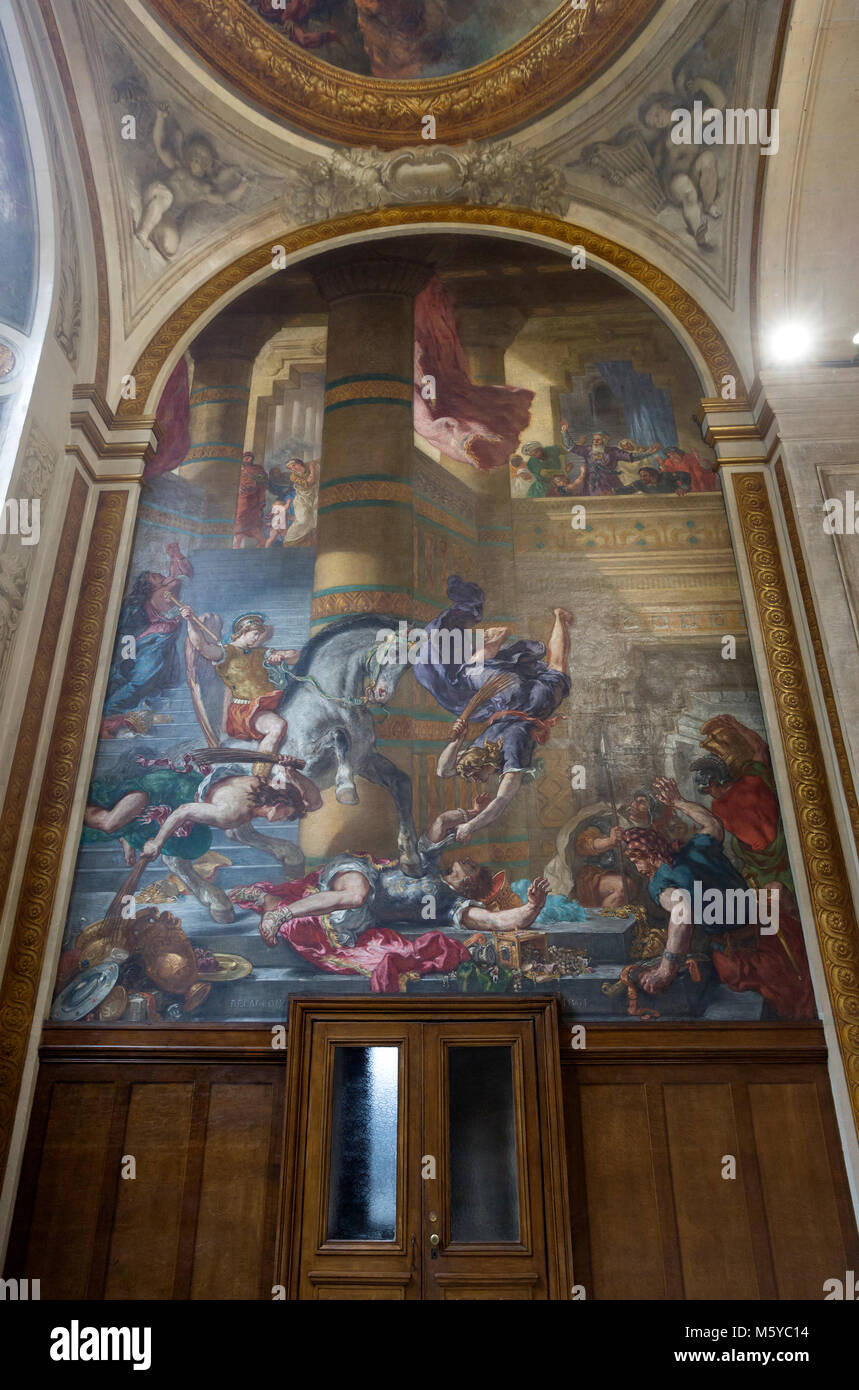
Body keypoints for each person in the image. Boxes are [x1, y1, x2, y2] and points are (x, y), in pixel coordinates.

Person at [229, 801, 553, 992]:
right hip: (361, 872)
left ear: (469, 885)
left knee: (345, 913)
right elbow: (441, 821)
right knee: (356, 893)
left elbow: (498, 921)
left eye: (474, 868)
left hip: (365, 914)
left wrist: (533, 906)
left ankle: (266, 901)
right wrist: (471, 813)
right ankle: (279, 915)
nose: (469, 860)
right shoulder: (429, 861)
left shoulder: (455, 905)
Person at [414, 576, 572, 839]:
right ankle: (491, 644)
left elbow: (500, 801)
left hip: (536, 703)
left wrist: (470, 826)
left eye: (479, 776)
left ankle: (561, 618)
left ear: (483, 765)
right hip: (504, 696)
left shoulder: (510, 752)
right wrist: (458, 740)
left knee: (557, 665)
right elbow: (445, 771)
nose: (481, 781)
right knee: (468, 672)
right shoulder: (485, 746)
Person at [138, 757, 321, 862]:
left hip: (219, 780)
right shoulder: (232, 815)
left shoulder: (271, 787)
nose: (284, 819)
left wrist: (292, 773)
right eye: (286, 814)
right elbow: (183, 810)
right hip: (179, 789)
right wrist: (157, 843)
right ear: (278, 805)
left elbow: (314, 803)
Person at [101, 543, 192, 738]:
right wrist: (176, 557)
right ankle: (110, 710)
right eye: (153, 576)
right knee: (139, 681)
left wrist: (175, 557)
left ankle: (113, 710)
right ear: (149, 586)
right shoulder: (158, 594)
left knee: (143, 680)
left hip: (161, 642)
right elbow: (127, 634)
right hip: (153, 642)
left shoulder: (163, 589)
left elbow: (180, 575)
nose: (157, 574)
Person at [181, 610, 299, 755]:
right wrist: (190, 621)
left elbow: (296, 656)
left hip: (271, 703)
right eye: (255, 634)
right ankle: (261, 773)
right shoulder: (225, 653)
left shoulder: (261, 652)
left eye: (259, 635)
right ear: (244, 632)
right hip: (246, 711)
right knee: (277, 726)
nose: (257, 638)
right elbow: (201, 646)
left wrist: (280, 655)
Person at [561, 427, 662, 496]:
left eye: (598, 440)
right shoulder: (587, 450)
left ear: (604, 441)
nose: (595, 442)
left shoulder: (613, 451)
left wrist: (648, 452)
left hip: (609, 483)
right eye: (594, 440)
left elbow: (632, 457)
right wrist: (565, 432)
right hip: (591, 484)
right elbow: (571, 447)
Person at [233, 453, 270, 549]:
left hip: (252, 498)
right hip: (241, 497)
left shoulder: (257, 469)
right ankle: (238, 544)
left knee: (247, 519)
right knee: (240, 519)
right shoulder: (238, 469)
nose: (248, 459)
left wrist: (251, 481)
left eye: (250, 458)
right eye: (245, 458)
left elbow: (262, 481)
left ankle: (261, 541)